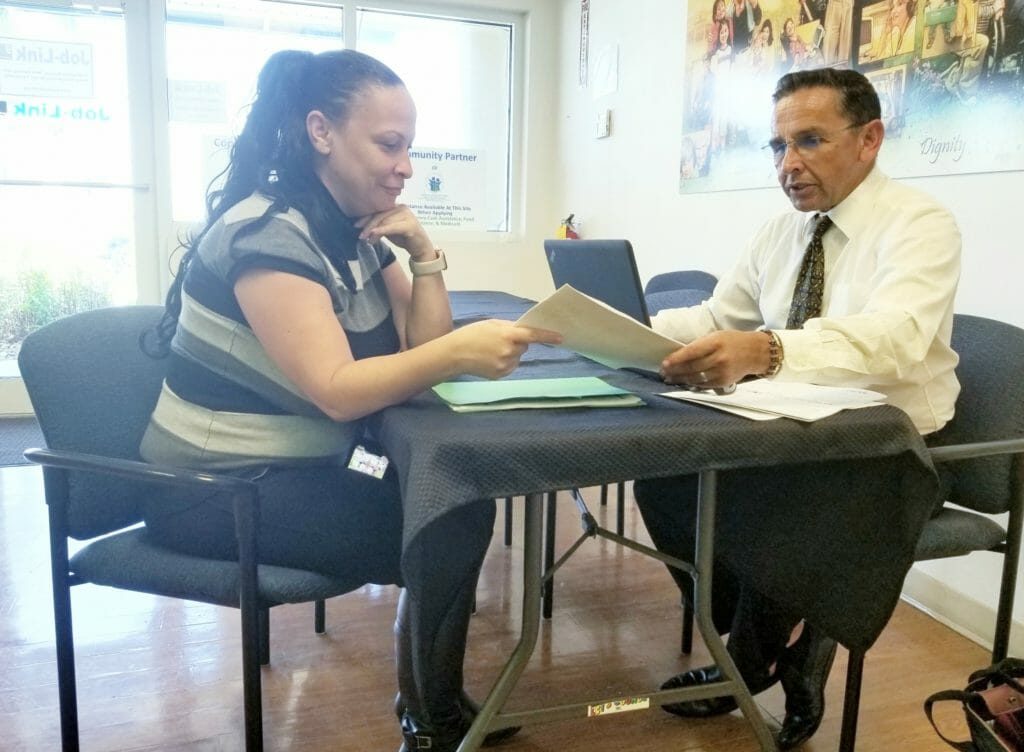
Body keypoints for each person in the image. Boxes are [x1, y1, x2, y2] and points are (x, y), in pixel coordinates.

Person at [136, 49, 560, 752]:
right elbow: (338, 392)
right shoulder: (267, 234)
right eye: (389, 145)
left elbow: (420, 352)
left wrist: (424, 253)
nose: (404, 166)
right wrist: (456, 350)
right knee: (447, 516)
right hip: (209, 488)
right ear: (321, 132)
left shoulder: (353, 228)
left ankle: (434, 702)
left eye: (408, 148)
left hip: (297, 465)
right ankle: (431, 719)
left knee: (451, 503)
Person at [634, 68, 960, 750]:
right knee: (662, 475)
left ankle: (752, 662)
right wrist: (631, 327)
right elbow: (718, 316)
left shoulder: (920, 224)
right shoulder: (781, 233)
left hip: (890, 444)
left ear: (869, 138)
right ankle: (768, 631)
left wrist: (768, 350)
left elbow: (896, 337)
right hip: (793, 428)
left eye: (809, 141)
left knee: (776, 497)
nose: (789, 164)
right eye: (778, 146)